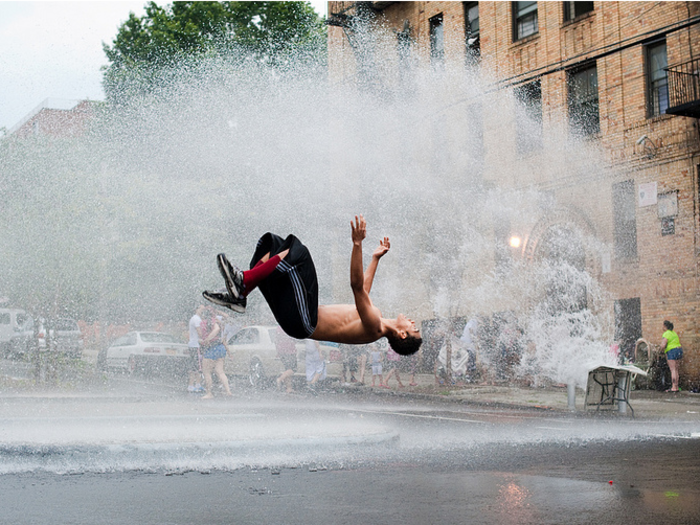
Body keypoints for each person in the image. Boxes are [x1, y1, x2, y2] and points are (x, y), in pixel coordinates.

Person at [203, 215, 422, 356]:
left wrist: (357, 244)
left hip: (304, 320)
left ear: (403, 335)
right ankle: (242, 290)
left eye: (414, 328)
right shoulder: (376, 319)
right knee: (275, 245)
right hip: (299, 318)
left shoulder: (376, 326)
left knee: (299, 254)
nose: (413, 322)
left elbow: (356, 287)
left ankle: (242, 285)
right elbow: (363, 292)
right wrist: (375, 259)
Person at [199, 308, 232, 399]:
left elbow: (215, 330)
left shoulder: (204, 323)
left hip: (211, 348)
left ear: (203, 315)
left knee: (207, 372)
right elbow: (220, 332)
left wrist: (207, 339)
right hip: (220, 348)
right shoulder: (218, 321)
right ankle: (228, 390)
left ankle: (209, 393)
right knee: (220, 371)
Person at [660, 320, 683, 392]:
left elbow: (663, 345)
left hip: (672, 351)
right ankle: (676, 387)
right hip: (679, 350)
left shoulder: (666, 333)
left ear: (665, 326)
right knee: (676, 370)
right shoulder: (674, 333)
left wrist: (660, 350)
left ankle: (673, 387)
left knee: (672, 370)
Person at [187, 304, 205, 393]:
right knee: (197, 366)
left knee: (196, 365)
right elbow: (200, 332)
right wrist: (205, 338)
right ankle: (192, 385)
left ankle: (197, 384)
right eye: (201, 308)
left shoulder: (195, 318)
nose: (203, 310)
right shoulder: (196, 319)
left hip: (193, 344)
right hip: (196, 345)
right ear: (197, 309)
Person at [275, 326, 298, 393]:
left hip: (281, 352)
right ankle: (280, 379)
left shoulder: (278, 328)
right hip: (289, 351)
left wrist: (278, 351)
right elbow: (295, 338)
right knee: (293, 369)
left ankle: (289, 388)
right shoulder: (289, 327)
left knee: (287, 369)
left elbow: (276, 340)